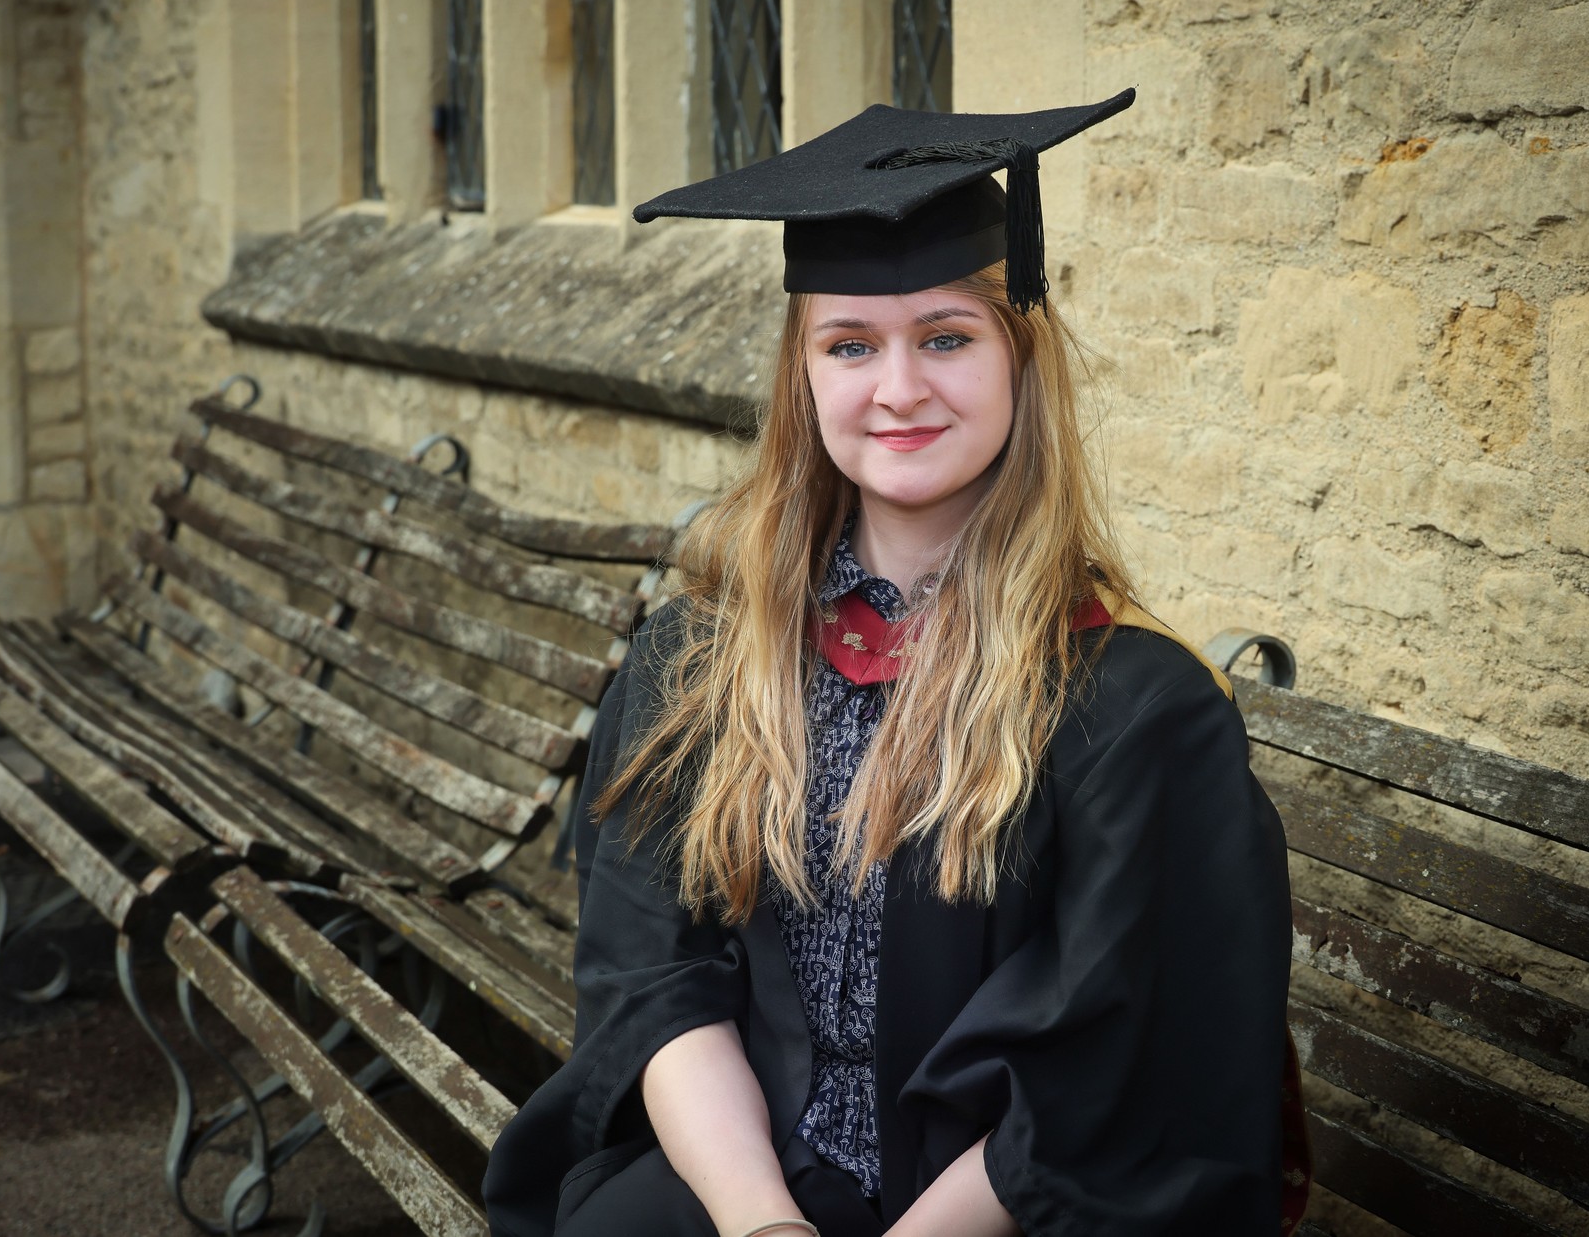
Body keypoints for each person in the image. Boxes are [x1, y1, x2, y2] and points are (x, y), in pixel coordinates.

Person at [483, 90, 1302, 1237]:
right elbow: (652, 977)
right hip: (752, 1173)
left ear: (1023, 358)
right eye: (851, 343)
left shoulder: (1132, 705)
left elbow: (1114, 1078)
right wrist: (760, 1219)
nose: (899, 388)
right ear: (803, 375)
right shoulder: (705, 661)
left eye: (948, 337)